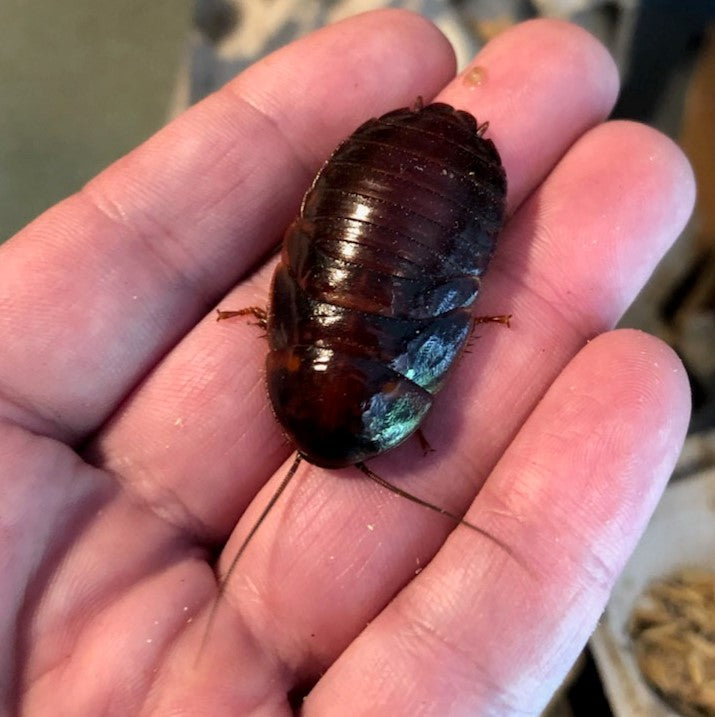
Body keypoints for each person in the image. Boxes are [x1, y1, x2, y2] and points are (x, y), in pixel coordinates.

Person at [0, 11, 695, 716]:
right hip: (408, 206)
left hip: (402, 199)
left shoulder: (379, 374)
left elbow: (434, 325)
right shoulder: (305, 349)